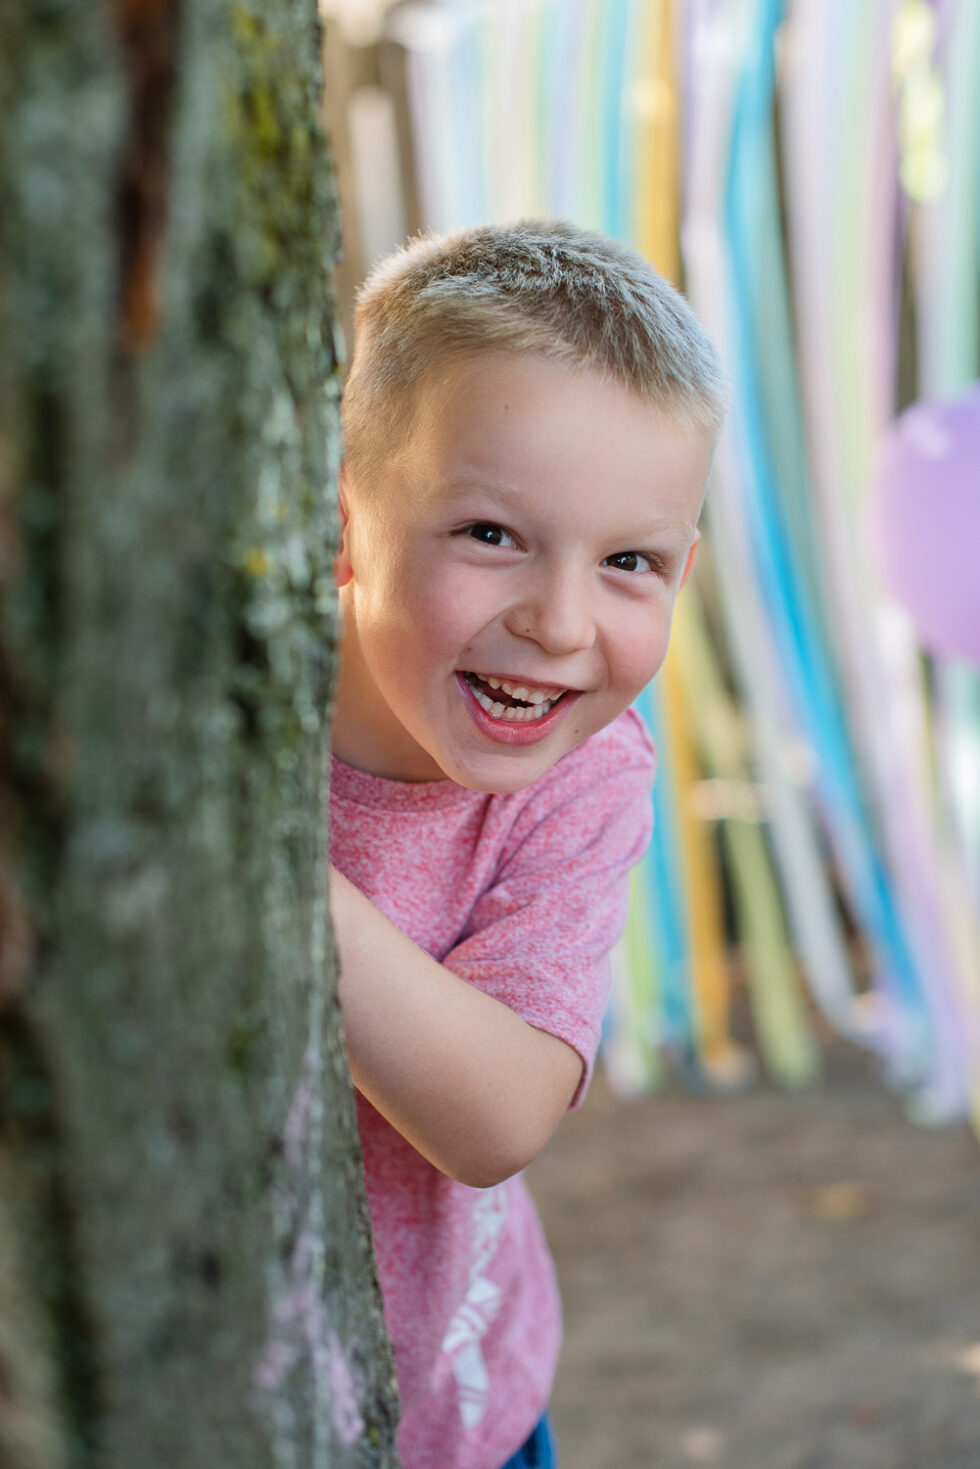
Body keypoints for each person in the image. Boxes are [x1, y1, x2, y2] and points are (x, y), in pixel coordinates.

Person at [328, 220, 727, 1469]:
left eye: (627, 562)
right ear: (341, 520)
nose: (559, 622)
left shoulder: (589, 778)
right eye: (490, 533)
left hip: (460, 1411)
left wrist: (287, 880)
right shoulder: (219, 703)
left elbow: (496, 1114)